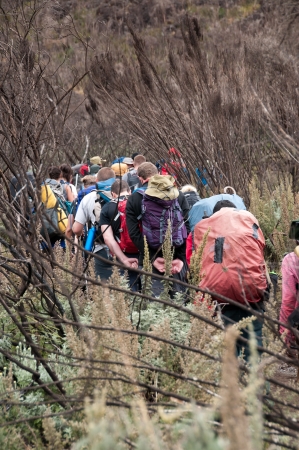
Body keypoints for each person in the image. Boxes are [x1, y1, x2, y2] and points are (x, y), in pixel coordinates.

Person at [193, 200, 268, 361]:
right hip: (252, 293)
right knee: (254, 349)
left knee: (228, 349)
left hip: (221, 297)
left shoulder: (203, 228)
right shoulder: (248, 221)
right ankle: (256, 380)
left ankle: (231, 382)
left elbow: (198, 263)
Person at [126, 162, 190, 297]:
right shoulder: (178, 195)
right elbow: (187, 227)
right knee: (181, 306)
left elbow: (134, 233)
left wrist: (152, 257)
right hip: (177, 262)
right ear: (159, 174)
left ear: (140, 178)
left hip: (152, 263)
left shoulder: (135, 198)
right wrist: (180, 258)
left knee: (154, 310)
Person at [72, 167, 116, 280]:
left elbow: (76, 229)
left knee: (101, 287)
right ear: (114, 180)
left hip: (99, 248)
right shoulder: (122, 194)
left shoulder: (88, 198)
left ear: (96, 181)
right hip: (122, 248)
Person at [99, 179, 140, 290]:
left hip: (123, 255)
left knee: (129, 294)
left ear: (113, 194)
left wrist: (124, 259)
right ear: (130, 191)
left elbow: (108, 239)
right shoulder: (140, 202)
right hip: (145, 253)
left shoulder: (106, 208)